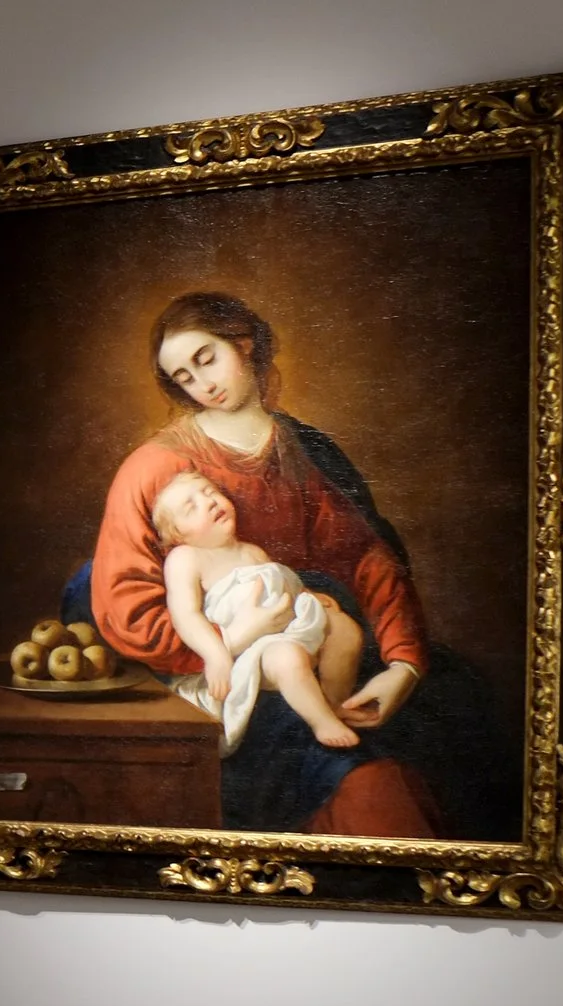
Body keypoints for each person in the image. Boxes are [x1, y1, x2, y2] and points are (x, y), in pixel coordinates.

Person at [91, 291, 458, 837]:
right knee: (366, 788)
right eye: (184, 376)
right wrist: (241, 639)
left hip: (329, 653)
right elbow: (129, 613)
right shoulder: (156, 467)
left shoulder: (302, 449)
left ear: (244, 344)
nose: (201, 383)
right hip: (229, 681)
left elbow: (366, 558)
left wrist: (403, 666)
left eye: (206, 358)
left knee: (452, 721)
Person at [152, 470, 364, 753]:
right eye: (191, 507)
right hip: (249, 654)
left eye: (210, 492)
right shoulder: (186, 558)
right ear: (179, 535)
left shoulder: (253, 552)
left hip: (290, 629)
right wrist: (215, 655)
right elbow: (186, 616)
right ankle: (322, 722)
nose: (209, 502)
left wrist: (308, 596)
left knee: (345, 629)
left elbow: (279, 588)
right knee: (287, 657)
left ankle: (333, 703)